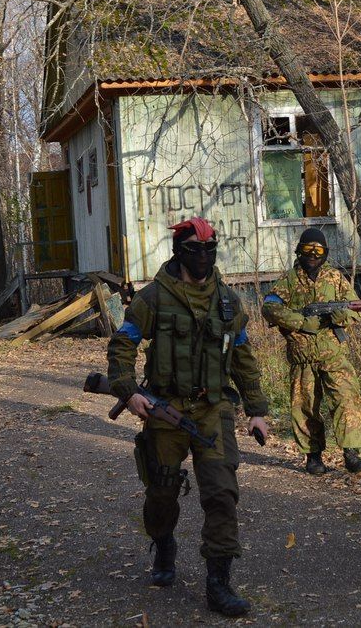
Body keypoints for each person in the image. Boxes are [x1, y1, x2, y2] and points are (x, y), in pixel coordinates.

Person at [106, 216, 270, 617]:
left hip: (214, 411)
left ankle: (219, 583)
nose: (203, 258)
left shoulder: (229, 301)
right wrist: (129, 393)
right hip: (166, 410)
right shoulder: (153, 299)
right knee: (161, 492)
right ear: (180, 252)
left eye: (210, 250)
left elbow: (244, 358)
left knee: (221, 494)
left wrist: (257, 411)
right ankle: (163, 543)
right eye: (195, 250)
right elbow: (121, 347)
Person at [261, 228, 361, 476]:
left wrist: (342, 316)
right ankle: (313, 457)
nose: (312, 254)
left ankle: (351, 454)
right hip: (302, 357)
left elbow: (354, 308)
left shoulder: (335, 278)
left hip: (333, 353)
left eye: (318, 250)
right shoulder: (288, 281)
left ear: (325, 253)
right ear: (299, 250)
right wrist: (300, 322)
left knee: (346, 398)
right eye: (308, 249)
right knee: (305, 406)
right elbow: (269, 308)